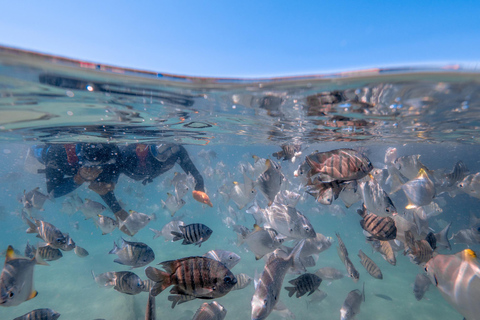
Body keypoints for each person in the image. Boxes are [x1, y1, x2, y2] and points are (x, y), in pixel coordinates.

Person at [38, 143, 132, 235]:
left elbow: (115, 165)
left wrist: (110, 184)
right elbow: (52, 192)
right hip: (38, 160)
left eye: (100, 165)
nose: (93, 169)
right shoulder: (56, 152)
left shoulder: (110, 150)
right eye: (88, 164)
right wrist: (79, 178)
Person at [119, 143, 212, 207]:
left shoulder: (172, 152)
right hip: (136, 173)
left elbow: (191, 169)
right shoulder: (126, 156)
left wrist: (199, 188)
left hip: (145, 176)